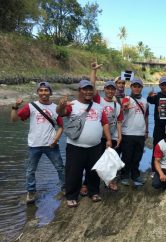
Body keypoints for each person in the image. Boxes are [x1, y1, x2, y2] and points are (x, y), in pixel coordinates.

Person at [57, 80, 112, 208]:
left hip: (95, 146)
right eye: (84, 89)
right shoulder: (73, 104)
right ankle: (71, 196)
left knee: (93, 172)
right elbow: (61, 113)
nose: (88, 92)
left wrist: (108, 139)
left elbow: (104, 123)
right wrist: (60, 105)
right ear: (79, 91)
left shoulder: (98, 107)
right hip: (75, 147)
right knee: (73, 172)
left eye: (90, 89)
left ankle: (94, 192)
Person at [10, 82, 65, 204]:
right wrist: (15, 106)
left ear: (50, 92)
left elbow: (61, 126)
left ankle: (65, 187)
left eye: (46, 90)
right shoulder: (31, 106)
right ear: (37, 92)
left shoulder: (56, 108)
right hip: (34, 145)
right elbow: (14, 120)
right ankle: (31, 192)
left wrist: (55, 140)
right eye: (41, 90)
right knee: (30, 170)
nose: (43, 93)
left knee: (60, 168)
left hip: (51, 145)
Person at [91, 62, 123, 191]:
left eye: (112, 89)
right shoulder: (98, 100)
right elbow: (92, 85)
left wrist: (119, 136)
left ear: (115, 90)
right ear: (104, 90)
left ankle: (110, 181)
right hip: (99, 136)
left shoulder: (118, 105)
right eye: (108, 88)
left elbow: (119, 121)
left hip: (113, 136)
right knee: (95, 160)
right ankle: (89, 183)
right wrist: (94, 71)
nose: (110, 91)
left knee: (111, 161)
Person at [120, 78, 149, 187]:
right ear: (131, 87)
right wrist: (124, 107)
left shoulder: (145, 101)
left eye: (139, 86)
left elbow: (146, 116)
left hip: (140, 133)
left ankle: (135, 175)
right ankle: (124, 175)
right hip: (128, 132)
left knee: (138, 156)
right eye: (134, 86)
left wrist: (146, 130)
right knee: (127, 156)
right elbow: (122, 109)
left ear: (142, 88)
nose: (136, 88)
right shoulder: (126, 99)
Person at [147, 76, 166, 170]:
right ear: (159, 86)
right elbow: (149, 100)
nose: (164, 86)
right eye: (162, 85)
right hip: (159, 127)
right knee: (157, 148)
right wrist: (149, 95)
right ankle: (154, 169)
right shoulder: (156, 96)